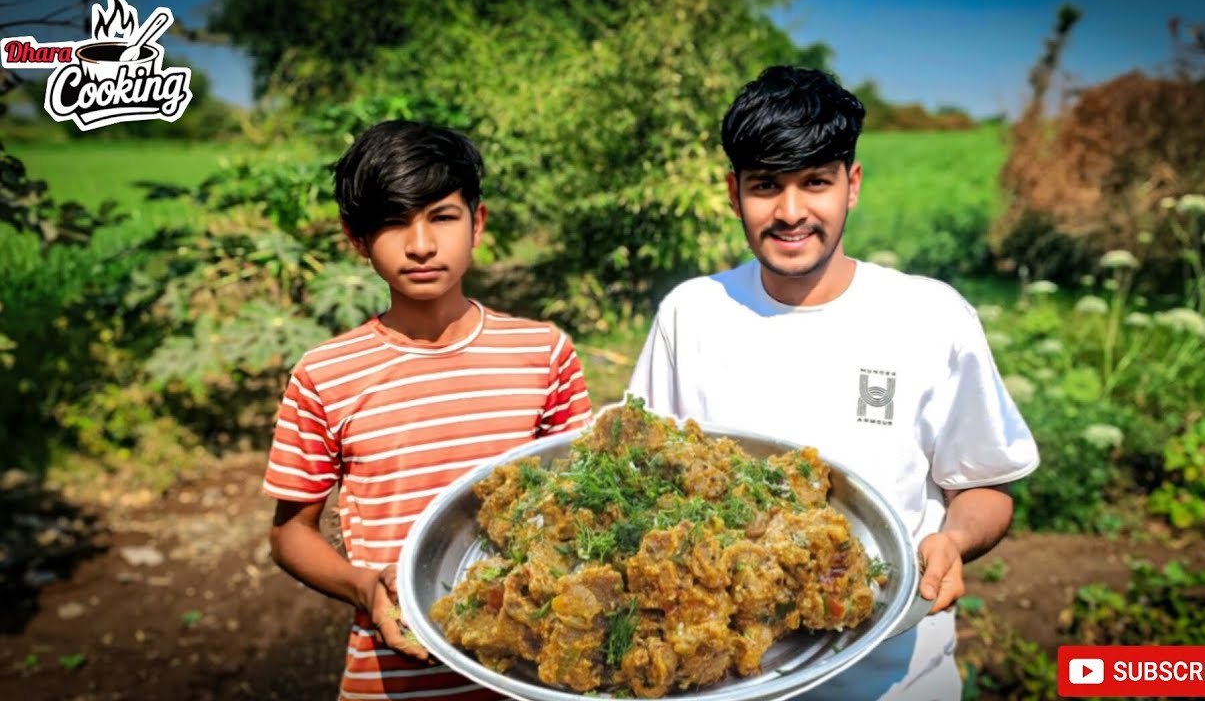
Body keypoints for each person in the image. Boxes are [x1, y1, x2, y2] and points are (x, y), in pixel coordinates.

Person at [626, 66, 1039, 700]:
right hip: (729, 681)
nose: (791, 212)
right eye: (766, 186)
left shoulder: (930, 317)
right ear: (734, 193)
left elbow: (984, 482)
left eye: (815, 182)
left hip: (897, 679)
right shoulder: (692, 314)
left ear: (853, 185)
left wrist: (953, 540)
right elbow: (637, 478)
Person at [262, 121, 593, 701]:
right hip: (391, 681)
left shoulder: (543, 355)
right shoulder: (325, 375)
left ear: (477, 223)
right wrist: (365, 588)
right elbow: (291, 534)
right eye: (394, 222)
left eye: (442, 217)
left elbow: (584, 502)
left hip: (532, 674)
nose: (420, 244)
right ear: (357, 238)